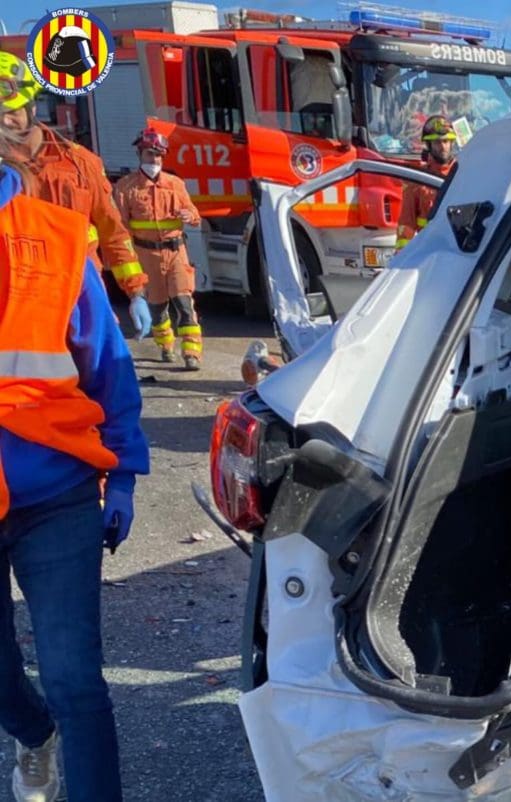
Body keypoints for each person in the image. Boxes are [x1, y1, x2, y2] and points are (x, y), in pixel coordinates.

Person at [0, 160, 149, 801]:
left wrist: (124, 477)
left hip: (56, 494)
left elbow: (109, 366)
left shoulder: (57, 238)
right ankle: (34, 733)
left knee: (75, 683)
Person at [0, 52, 151, 341]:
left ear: (32, 107)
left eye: (13, 111)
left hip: (82, 299)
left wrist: (135, 293)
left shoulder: (80, 163)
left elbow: (112, 232)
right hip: (21, 304)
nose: (5, 121)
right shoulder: (2, 173)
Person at [114, 128, 204, 370]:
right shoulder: (126, 187)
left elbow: (194, 214)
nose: (154, 160)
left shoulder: (175, 184)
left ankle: (192, 352)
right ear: (140, 154)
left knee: (184, 302)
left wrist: (190, 216)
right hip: (146, 254)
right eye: (150, 154)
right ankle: (165, 345)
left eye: (158, 155)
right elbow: (120, 227)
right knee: (157, 306)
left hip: (175, 252)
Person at [395, 115, 457, 250]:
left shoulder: (463, 174)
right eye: (437, 142)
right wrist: (401, 255)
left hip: (459, 250)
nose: (443, 147)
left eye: (446, 141)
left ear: (452, 143)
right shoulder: (418, 181)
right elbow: (407, 223)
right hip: (430, 249)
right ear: (429, 145)